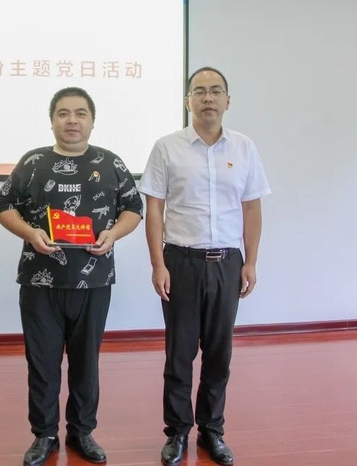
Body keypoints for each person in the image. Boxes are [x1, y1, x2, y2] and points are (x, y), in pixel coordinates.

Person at [0, 87, 143, 466]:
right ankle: (44, 434)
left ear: (92, 120)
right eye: (63, 113)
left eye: (80, 113)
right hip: (39, 282)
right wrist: (30, 233)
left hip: (93, 282)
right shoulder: (33, 162)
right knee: (42, 362)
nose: (71, 120)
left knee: (85, 361)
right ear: (52, 121)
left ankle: (82, 431)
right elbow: (3, 206)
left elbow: (133, 208)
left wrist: (114, 234)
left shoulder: (110, 163)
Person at [140, 67, 271, 466]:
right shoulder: (167, 147)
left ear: (228, 100)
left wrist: (251, 261)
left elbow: (252, 208)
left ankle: (212, 430)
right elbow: (154, 209)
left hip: (228, 263)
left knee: (218, 353)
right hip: (181, 262)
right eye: (200, 91)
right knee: (179, 353)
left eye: (216, 91)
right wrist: (158, 264)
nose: (208, 98)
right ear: (188, 101)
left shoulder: (244, 148)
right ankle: (177, 432)